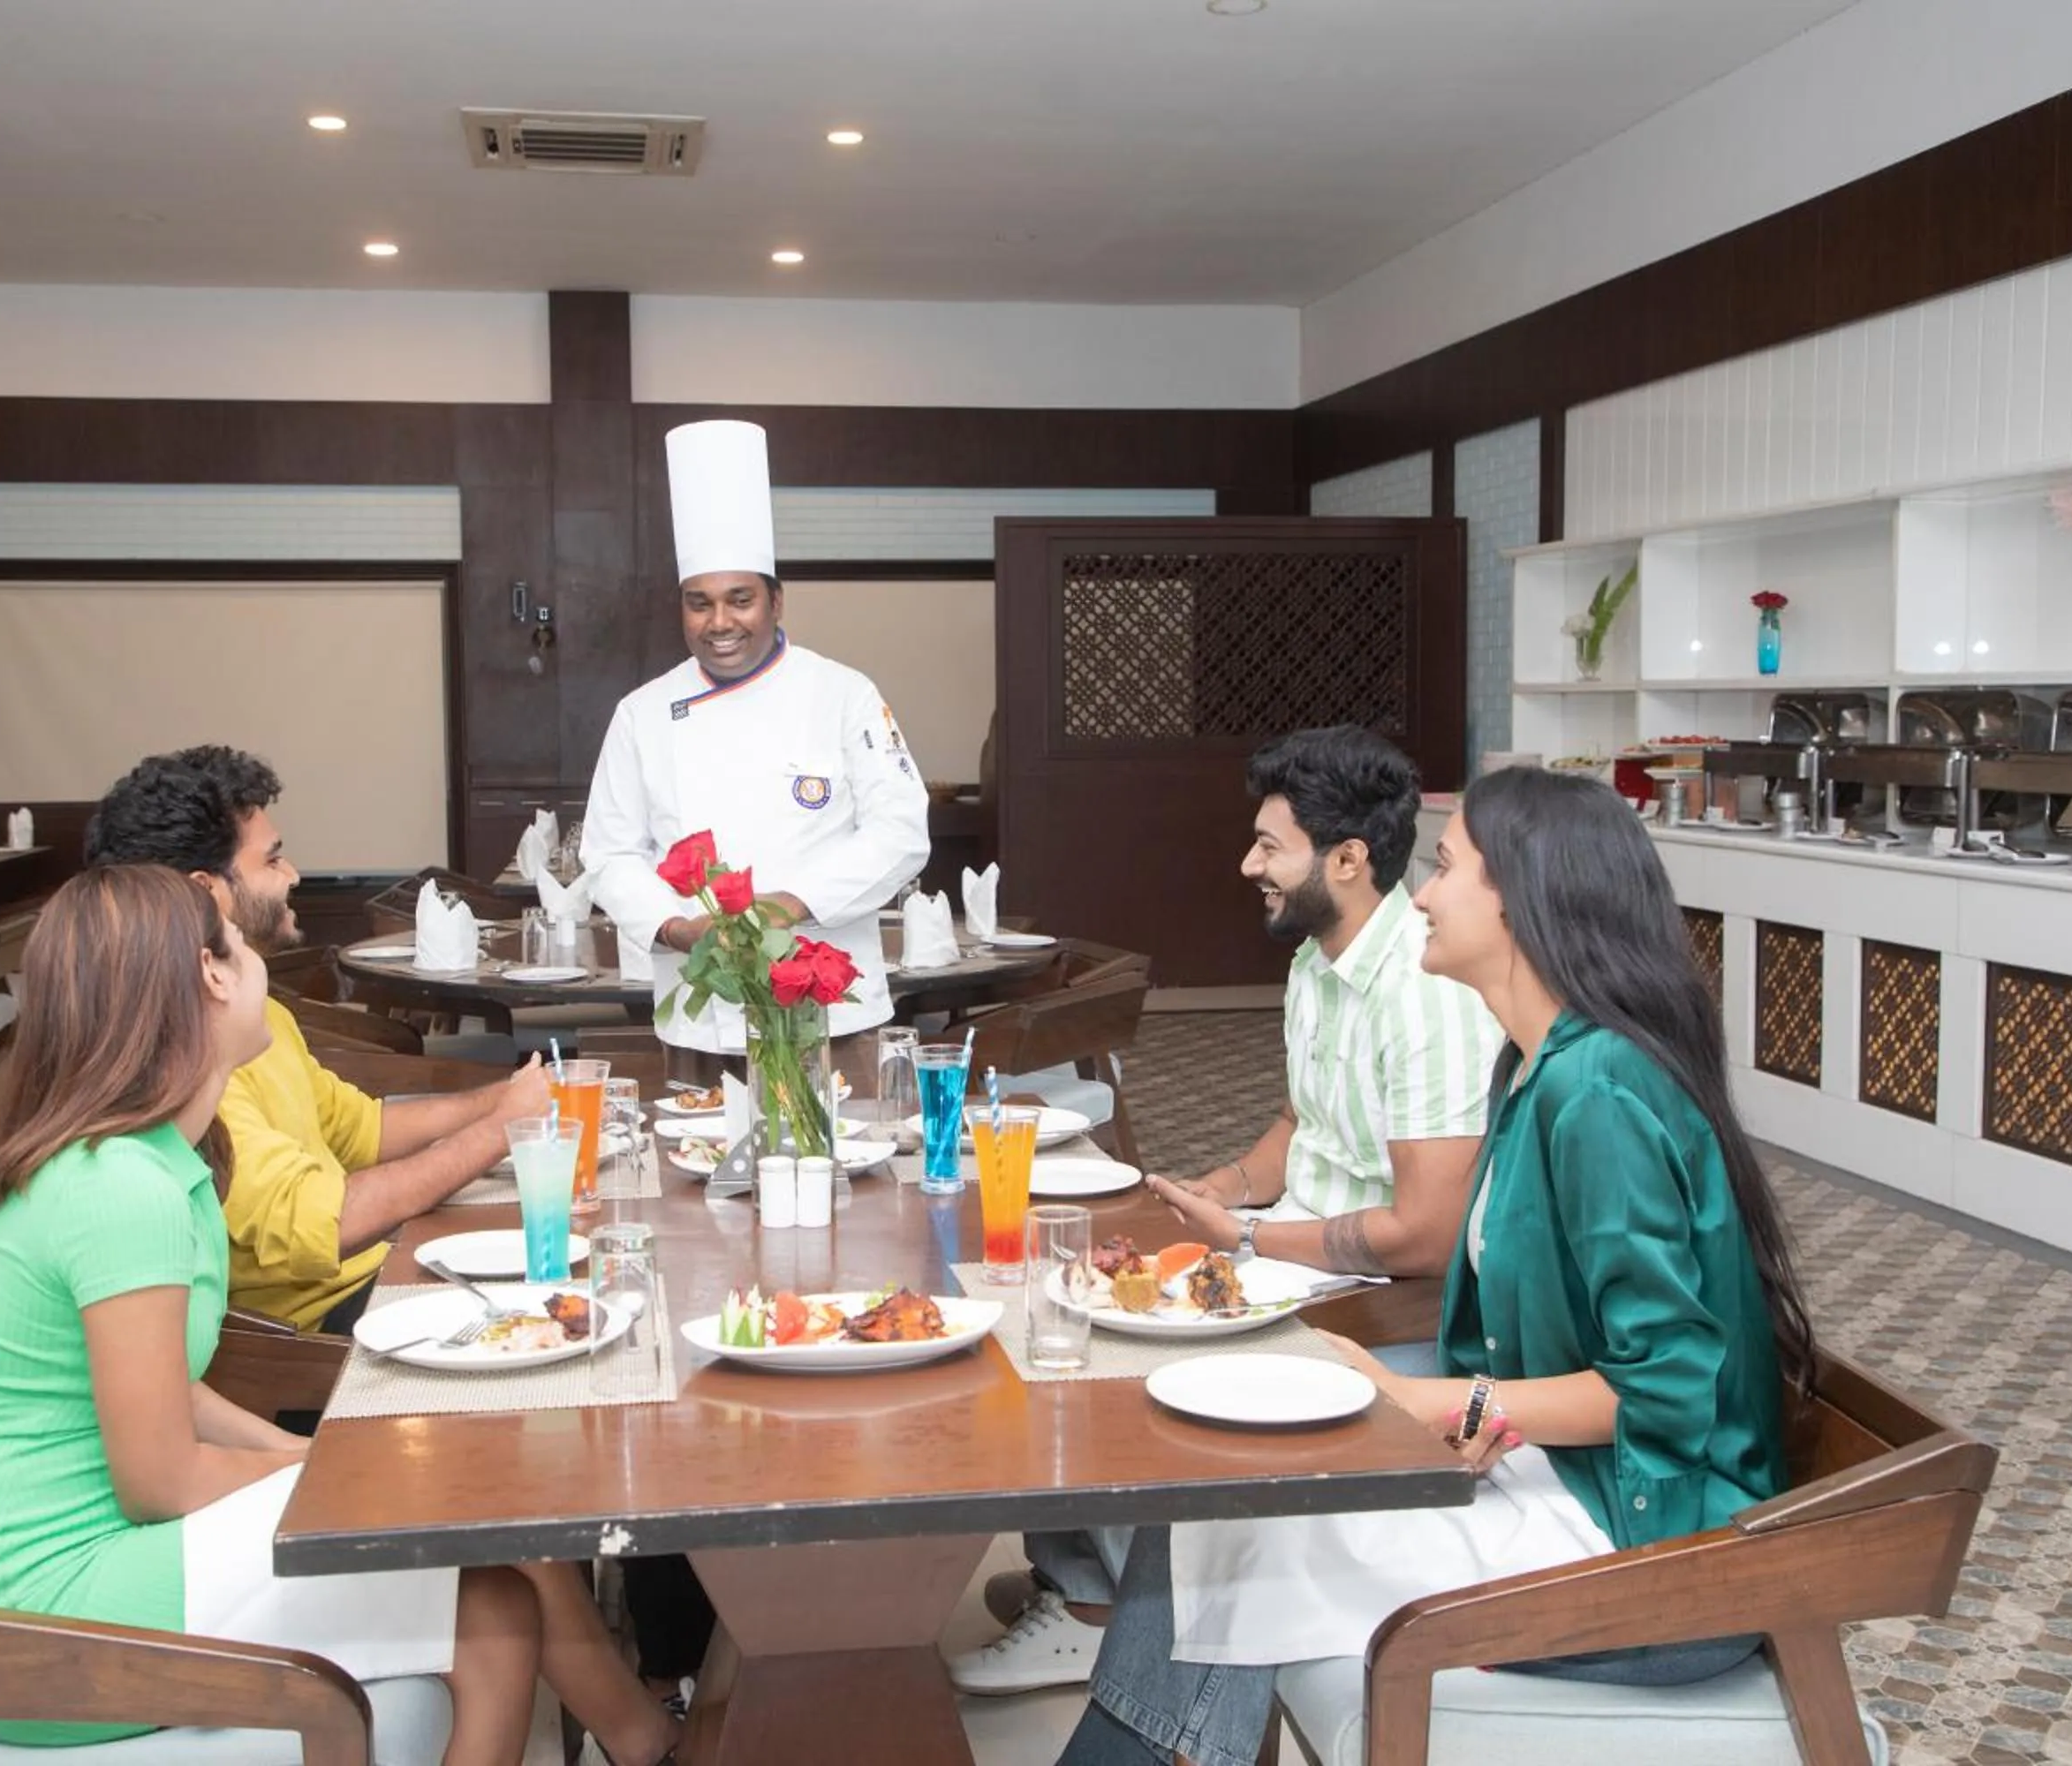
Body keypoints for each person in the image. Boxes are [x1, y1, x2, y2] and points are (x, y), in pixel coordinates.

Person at [1055, 766, 1817, 1766]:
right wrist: (1463, 1420)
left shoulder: (1600, 1095)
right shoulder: (1537, 1066)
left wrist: (1429, 1406)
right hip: (1578, 1484)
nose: (1419, 892)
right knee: (1229, 1495)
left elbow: (1668, 1392)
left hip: (1653, 1544)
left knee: (1242, 1528)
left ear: (1524, 899)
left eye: (1448, 866)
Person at [0, 866, 681, 1766]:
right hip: (45, 1618)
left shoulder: (154, 1159)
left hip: (89, 1564)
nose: (258, 966)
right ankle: (652, 1740)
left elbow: (177, 1392)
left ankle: (647, 1740)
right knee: (485, 1593)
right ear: (209, 978)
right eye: (238, 947)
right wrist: (346, 1481)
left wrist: (317, 1457)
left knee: (481, 1530)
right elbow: (158, 1479)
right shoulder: (122, 1189)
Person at [950, 723, 1502, 1696]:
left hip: (1382, 1301)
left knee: (1123, 1358)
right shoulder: (1318, 962)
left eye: (1269, 846)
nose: (1248, 863)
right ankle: (1088, 1585)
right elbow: (1303, 1119)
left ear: (1347, 858)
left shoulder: (1423, 989)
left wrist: (1247, 1237)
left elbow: (1429, 1235)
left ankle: (1103, 1608)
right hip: (1301, 1253)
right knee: (1051, 1299)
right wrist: (1224, 1187)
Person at [85, 746, 550, 1337]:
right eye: (272, 860)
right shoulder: (181, 1051)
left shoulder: (254, 1015)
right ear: (207, 893)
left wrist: (505, 1099)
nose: (293, 875)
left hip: (373, 1272)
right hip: (313, 1338)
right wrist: (500, 1130)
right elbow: (319, 1223)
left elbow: (360, 1130)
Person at [584, 419, 930, 1057]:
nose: (720, 622)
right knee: (694, 1154)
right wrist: (675, 926)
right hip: (700, 1013)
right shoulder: (643, 712)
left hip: (833, 1008)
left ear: (776, 601)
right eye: (699, 602)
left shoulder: (844, 694)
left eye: (739, 599)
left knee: (847, 1155)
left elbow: (901, 832)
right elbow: (609, 853)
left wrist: (793, 904)